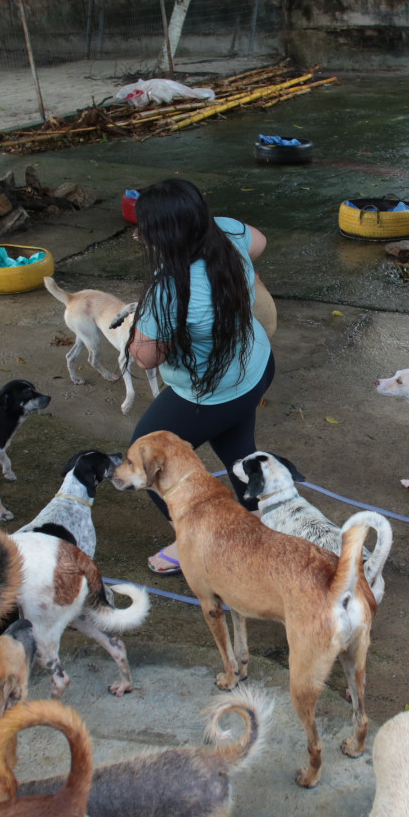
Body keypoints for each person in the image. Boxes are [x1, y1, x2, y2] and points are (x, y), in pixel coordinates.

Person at [127, 177, 273, 574]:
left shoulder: (168, 290)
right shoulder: (226, 230)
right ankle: (260, 522)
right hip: (255, 365)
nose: (140, 235)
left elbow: (145, 358)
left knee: (145, 458)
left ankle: (194, 536)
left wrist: (140, 328)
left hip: (210, 391)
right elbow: (258, 242)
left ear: (165, 236)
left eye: (145, 230)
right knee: (240, 453)